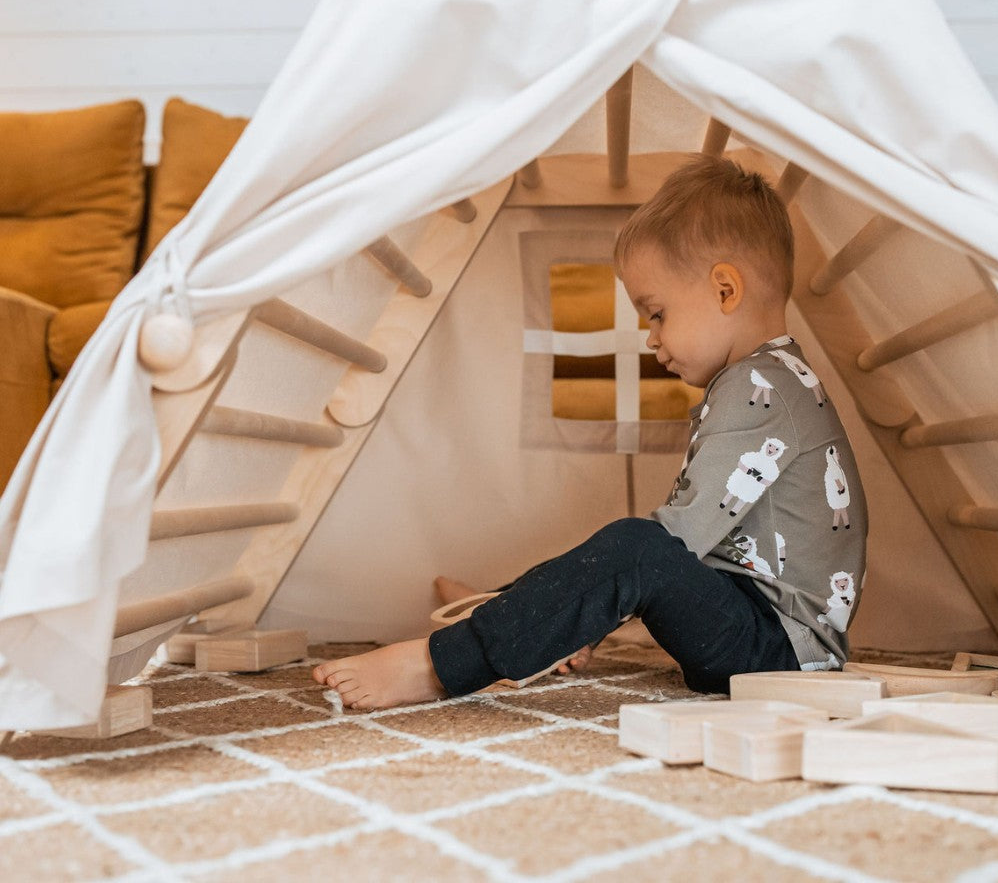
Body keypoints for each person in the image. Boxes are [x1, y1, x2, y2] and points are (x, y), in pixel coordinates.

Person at [313, 155, 868, 708]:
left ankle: (438, 665)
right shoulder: (769, 381)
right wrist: (588, 615)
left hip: (776, 652)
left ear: (725, 290)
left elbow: (673, 544)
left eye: (656, 313)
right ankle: (504, 611)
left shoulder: (760, 388)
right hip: (760, 628)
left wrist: (592, 617)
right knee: (624, 554)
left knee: (635, 547)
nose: (651, 338)